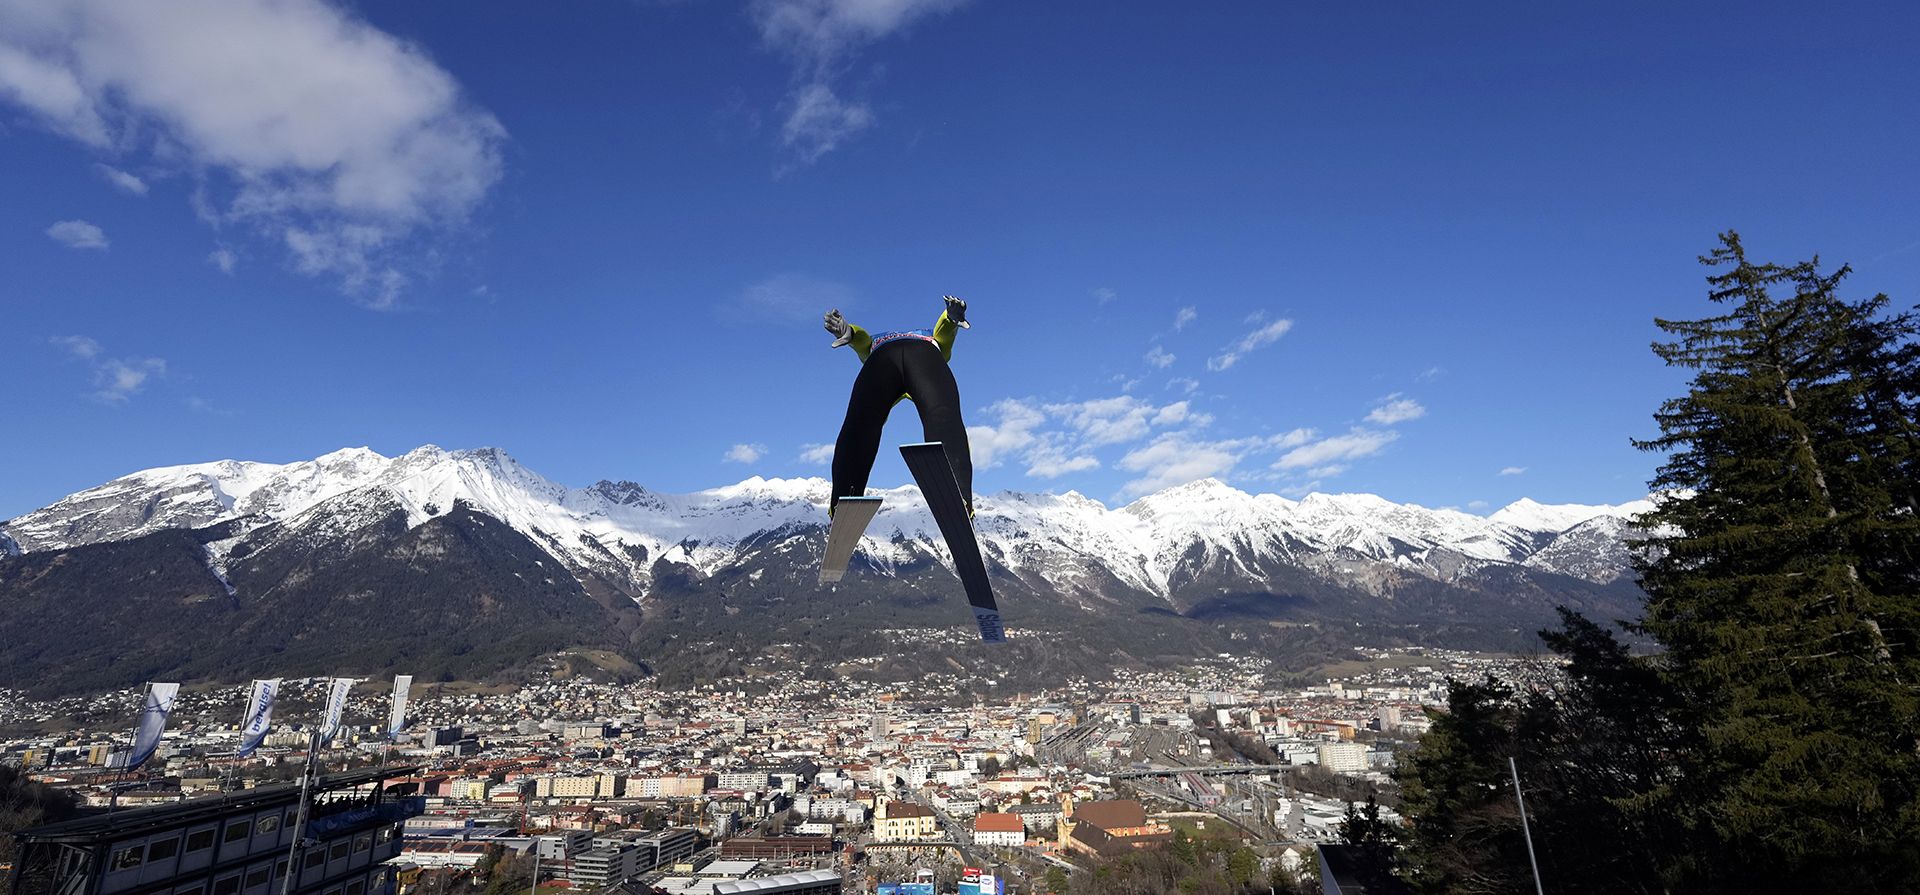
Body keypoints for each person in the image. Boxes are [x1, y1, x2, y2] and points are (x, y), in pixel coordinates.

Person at [824, 295, 974, 517]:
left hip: (881, 357)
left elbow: (863, 342)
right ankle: (959, 498)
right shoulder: (931, 340)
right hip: (925, 354)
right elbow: (943, 339)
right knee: (943, 418)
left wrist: (850, 333)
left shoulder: (874, 344)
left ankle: (842, 500)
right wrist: (949, 319)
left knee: (859, 425)